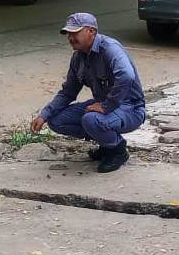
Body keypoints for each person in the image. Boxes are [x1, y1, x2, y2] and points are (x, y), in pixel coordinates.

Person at [30, 13, 146, 173]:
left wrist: (106, 106)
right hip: (102, 106)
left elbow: (126, 76)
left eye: (75, 33)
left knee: (91, 120)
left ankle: (117, 150)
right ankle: (106, 144)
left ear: (91, 31)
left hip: (130, 108)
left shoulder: (110, 49)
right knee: (56, 120)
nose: (70, 38)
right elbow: (68, 92)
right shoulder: (78, 57)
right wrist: (44, 114)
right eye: (68, 34)